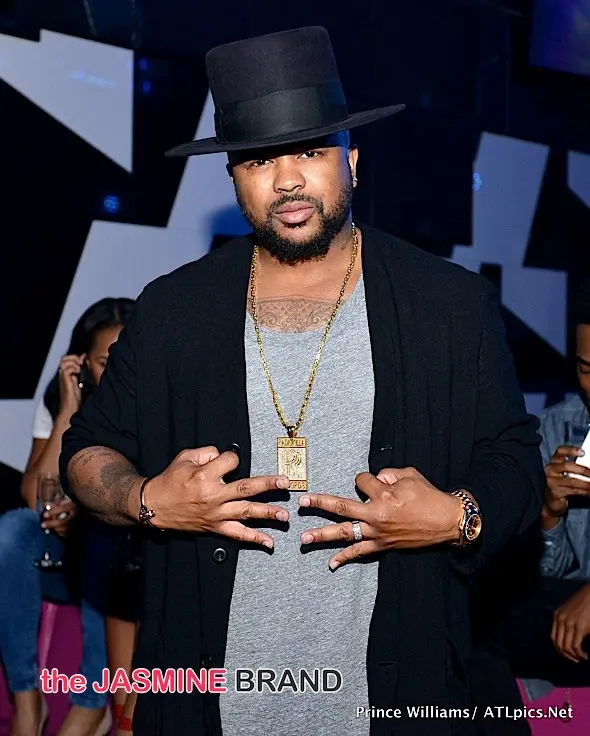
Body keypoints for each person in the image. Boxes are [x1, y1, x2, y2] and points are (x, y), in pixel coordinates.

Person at [59, 27, 544, 736]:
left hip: (397, 700)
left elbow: (515, 459)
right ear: (233, 178)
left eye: (310, 152)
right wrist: (146, 500)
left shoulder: (448, 304)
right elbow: (86, 453)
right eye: (259, 160)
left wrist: (455, 516)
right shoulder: (173, 310)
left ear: (352, 160)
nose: (286, 180)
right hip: (210, 704)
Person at [0, 297, 134, 736]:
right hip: (59, 558)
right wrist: (68, 409)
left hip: (119, 558)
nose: (115, 371)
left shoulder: (151, 400)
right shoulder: (62, 396)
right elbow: (32, 495)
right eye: (103, 362)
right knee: (11, 530)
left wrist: (88, 509)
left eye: (124, 358)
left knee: (104, 533)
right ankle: (26, 699)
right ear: (82, 363)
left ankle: (93, 702)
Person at [486, 278, 590, 702]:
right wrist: (549, 513)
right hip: (563, 621)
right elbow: (545, 577)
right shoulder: (555, 428)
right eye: (586, 369)